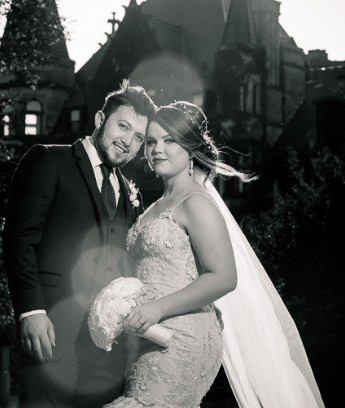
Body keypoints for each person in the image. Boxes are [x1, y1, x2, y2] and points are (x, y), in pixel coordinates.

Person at [105, 101, 325, 407]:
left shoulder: (196, 202)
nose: (157, 149)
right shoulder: (156, 205)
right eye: (151, 142)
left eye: (170, 141)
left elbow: (223, 277)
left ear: (191, 149)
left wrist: (156, 308)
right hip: (147, 334)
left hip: (179, 338)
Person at [2, 80, 157, 407]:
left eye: (138, 137)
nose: (128, 141)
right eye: (123, 126)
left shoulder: (130, 193)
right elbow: (19, 239)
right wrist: (31, 310)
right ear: (100, 119)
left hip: (105, 351)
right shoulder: (49, 160)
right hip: (51, 332)